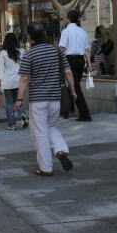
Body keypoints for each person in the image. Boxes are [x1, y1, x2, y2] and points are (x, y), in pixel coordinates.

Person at [15, 22, 78, 177]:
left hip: (38, 100)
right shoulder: (57, 51)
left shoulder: (29, 55)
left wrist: (19, 99)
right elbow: (68, 72)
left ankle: (46, 167)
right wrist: (73, 91)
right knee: (52, 126)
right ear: (44, 35)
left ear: (30, 38)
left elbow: (24, 79)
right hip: (55, 98)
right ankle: (60, 150)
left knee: (40, 133)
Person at [58, 10, 92, 121]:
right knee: (73, 86)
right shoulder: (83, 31)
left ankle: (85, 114)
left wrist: (58, 61)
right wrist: (89, 64)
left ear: (68, 19)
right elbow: (86, 50)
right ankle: (67, 110)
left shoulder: (66, 31)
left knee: (75, 87)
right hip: (81, 61)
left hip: (69, 60)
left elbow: (61, 48)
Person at [0, 32, 28, 130]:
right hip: (19, 80)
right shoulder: (22, 51)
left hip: (7, 81)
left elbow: (0, 69)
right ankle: (23, 114)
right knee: (19, 100)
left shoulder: (3, 53)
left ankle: (12, 124)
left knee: (9, 103)